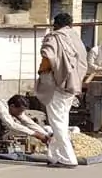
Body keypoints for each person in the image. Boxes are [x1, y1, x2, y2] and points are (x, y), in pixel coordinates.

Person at [37, 12, 88, 168]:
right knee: (60, 121)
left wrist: (43, 73)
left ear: (56, 24)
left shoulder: (54, 37)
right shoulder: (76, 39)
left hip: (56, 85)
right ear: (70, 24)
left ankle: (68, 158)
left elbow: (47, 57)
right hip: (72, 85)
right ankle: (54, 156)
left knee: (57, 122)